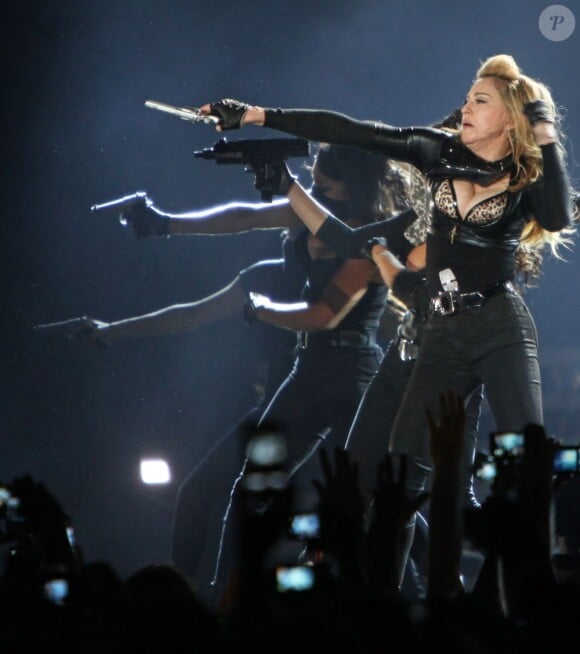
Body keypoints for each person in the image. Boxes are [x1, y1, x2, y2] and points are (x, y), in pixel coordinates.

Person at [199, 53, 575, 586]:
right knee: (396, 477)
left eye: (480, 100)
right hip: (434, 337)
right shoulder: (437, 152)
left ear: (511, 119)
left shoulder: (525, 178)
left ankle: (532, 600)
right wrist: (259, 115)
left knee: (524, 463)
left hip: (498, 326)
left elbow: (558, 214)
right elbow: (354, 132)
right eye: (467, 97)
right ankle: (380, 608)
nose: (465, 106)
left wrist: (546, 133)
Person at [71, 142, 410, 606]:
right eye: (313, 178)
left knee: (377, 495)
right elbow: (241, 216)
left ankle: (426, 600)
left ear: (354, 185)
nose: (315, 185)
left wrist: (267, 311)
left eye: (326, 179)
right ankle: (220, 603)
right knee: (249, 488)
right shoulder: (300, 226)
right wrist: (166, 223)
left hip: (353, 371)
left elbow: (325, 313)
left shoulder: (366, 237)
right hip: (308, 370)